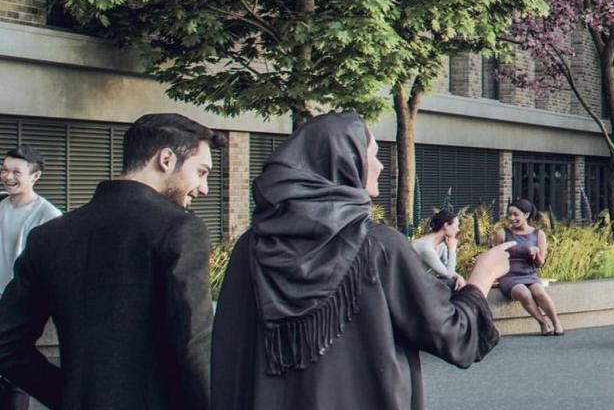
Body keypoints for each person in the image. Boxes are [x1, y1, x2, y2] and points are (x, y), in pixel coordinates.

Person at [209, 112, 507, 410]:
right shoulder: (378, 246)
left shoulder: (251, 246)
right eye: (372, 155)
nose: (379, 165)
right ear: (344, 161)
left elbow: (230, 352)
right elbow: (454, 335)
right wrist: (484, 274)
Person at [0, 114, 214, 410]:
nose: (203, 188)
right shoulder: (180, 229)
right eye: (201, 172)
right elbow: (196, 346)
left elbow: (6, 345)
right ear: (166, 159)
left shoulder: (48, 236)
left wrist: (69, 396)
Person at [0, 147, 60, 410]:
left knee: (13, 368)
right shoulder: (0, 206)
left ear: (35, 176)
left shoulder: (49, 216)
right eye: (4, 169)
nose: (7, 176)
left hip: (21, 303)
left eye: (16, 171)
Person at [490, 201, 562, 336]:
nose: (512, 218)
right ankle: (543, 323)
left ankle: (556, 322)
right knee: (524, 293)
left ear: (526, 215)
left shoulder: (538, 235)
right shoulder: (503, 234)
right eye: (509, 214)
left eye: (516, 214)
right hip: (509, 276)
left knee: (539, 292)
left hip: (529, 274)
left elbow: (540, 264)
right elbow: (496, 259)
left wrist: (536, 254)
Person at [409, 211, 464, 289]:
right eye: (457, 226)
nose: (458, 230)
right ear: (446, 226)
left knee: (456, 283)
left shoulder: (441, 244)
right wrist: (452, 250)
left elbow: (446, 268)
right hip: (411, 286)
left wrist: (459, 277)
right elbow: (448, 274)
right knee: (452, 284)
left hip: (422, 282)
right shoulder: (425, 247)